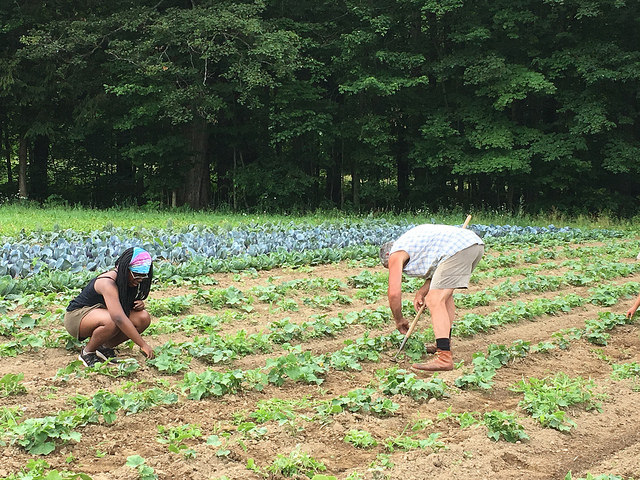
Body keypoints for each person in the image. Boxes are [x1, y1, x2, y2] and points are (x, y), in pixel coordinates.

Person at [379, 224, 484, 372]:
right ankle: (442, 344)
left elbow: (394, 293)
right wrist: (422, 291)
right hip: (473, 246)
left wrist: (399, 320)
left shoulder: (396, 254)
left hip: (459, 249)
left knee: (434, 300)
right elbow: (439, 269)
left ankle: (444, 357)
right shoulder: (412, 245)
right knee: (444, 298)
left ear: (388, 257)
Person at [64, 247, 155, 366]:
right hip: (77, 317)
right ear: (125, 269)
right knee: (113, 320)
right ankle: (87, 352)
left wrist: (137, 304)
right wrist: (143, 344)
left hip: (100, 313)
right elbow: (118, 317)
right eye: (137, 275)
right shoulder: (107, 282)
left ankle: (103, 348)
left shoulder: (128, 281)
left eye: (143, 276)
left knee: (143, 318)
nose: (140, 280)